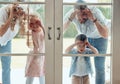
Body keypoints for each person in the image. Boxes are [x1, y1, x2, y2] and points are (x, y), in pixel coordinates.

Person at [63, 0, 109, 84]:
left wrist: (94, 19)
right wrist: (70, 19)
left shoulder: (95, 12)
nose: (83, 19)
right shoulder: (72, 13)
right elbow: (60, 30)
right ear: (75, 12)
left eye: (85, 15)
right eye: (80, 16)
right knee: (79, 60)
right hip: (85, 39)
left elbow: (105, 34)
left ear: (87, 10)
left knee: (99, 67)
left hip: (100, 38)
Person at [0, 3, 25, 84]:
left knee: (6, 67)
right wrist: (11, 16)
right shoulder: (3, 11)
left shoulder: (20, 16)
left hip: (6, 42)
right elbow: (1, 32)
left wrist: (21, 19)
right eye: (18, 8)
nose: (19, 11)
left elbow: (23, 34)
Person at [25, 14, 45, 84]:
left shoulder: (42, 32)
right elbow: (29, 45)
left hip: (42, 56)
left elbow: (48, 38)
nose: (34, 25)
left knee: (42, 75)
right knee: (30, 75)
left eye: (36, 23)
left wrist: (42, 26)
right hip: (33, 57)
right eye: (31, 23)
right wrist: (29, 31)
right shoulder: (30, 32)